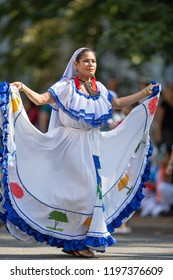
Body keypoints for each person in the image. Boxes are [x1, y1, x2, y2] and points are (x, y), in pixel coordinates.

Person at [0, 47, 160, 257]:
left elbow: (118, 104)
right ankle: (73, 241)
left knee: (93, 192)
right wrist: (22, 88)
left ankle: (78, 240)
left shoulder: (99, 88)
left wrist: (145, 93)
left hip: (92, 144)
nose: (90, 64)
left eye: (93, 61)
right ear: (75, 64)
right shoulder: (65, 87)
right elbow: (40, 100)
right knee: (84, 192)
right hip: (70, 145)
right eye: (85, 61)